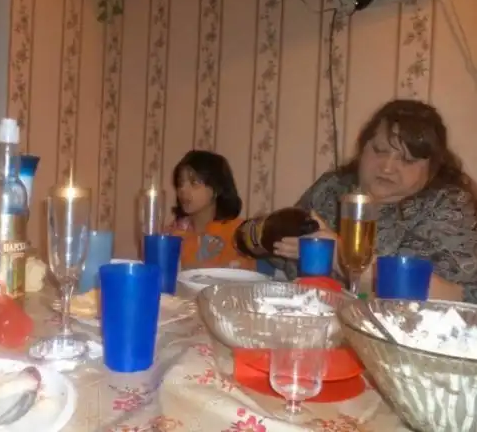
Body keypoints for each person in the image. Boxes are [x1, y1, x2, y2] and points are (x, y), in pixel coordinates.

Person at [272, 99, 477, 303]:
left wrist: (341, 257)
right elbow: (276, 248)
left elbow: (442, 295)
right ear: (363, 146)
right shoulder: (333, 186)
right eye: (379, 150)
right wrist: (262, 240)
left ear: (433, 167)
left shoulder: (448, 205)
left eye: (407, 160)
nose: (387, 167)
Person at [167, 150, 255, 270]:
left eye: (194, 183)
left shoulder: (239, 232)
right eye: (180, 183)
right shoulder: (172, 234)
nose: (183, 190)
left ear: (216, 189)